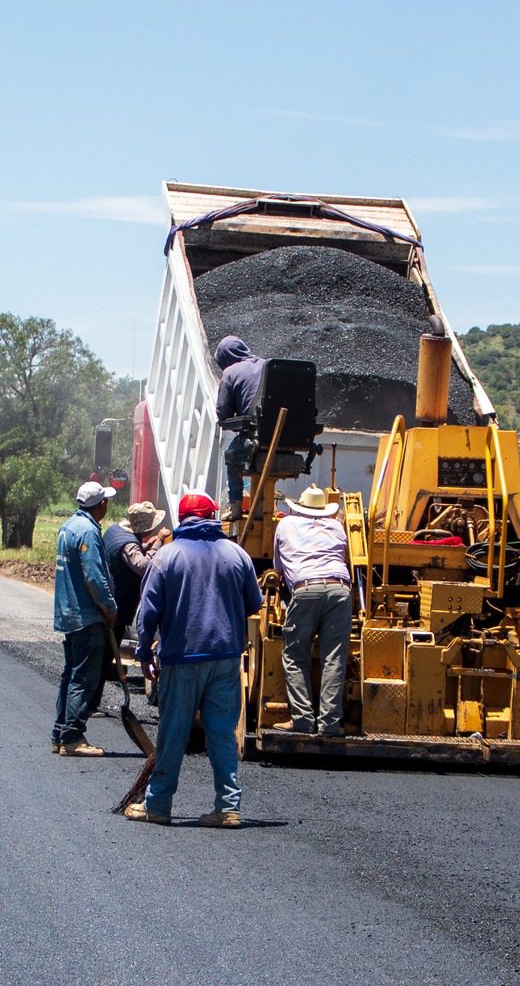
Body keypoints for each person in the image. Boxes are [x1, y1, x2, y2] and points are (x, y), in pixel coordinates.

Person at [128, 491, 263, 828]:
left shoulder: (167, 556)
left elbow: (147, 614)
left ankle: (158, 805)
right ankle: (228, 807)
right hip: (226, 658)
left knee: (173, 733)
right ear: (213, 516)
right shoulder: (237, 555)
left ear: (182, 517)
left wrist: (144, 652)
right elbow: (254, 603)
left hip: (182, 658)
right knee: (221, 734)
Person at [272, 484, 353, 736]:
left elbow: (278, 566)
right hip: (340, 587)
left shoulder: (285, 525)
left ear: (299, 506)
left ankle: (303, 719)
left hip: (306, 587)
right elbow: (344, 557)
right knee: (334, 658)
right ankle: (330, 723)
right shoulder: (337, 526)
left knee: (295, 655)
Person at [51, 481, 119, 756]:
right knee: (84, 678)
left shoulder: (67, 527)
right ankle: (73, 738)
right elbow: (94, 578)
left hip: (69, 613)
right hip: (86, 615)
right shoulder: (88, 532)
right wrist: (110, 608)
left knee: (71, 675)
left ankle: (60, 734)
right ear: (100, 505)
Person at [213, 334, 267, 518]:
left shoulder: (230, 372)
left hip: (256, 436)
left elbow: (223, 413)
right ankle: (261, 506)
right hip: (285, 438)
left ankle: (235, 506)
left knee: (232, 455)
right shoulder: (268, 365)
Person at [101, 500, 162, 647]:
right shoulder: (129, 543)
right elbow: (143, 566)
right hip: (118, 603)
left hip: (108, 599)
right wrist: (158, 542)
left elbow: (127, 553)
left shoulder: (115, 530)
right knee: (109, 650)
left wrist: (147, 546)